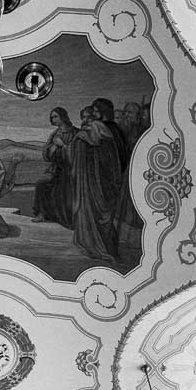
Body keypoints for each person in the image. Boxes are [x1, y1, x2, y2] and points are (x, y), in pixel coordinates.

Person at [69, 100, 126, 266]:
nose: (90, 117)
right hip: (97, 180)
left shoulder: (97, 128)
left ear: (101, 112)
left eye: (93, 112)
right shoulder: (107, 128)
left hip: (99, 181)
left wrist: (79, 140)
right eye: (87, 115)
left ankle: (107, 251)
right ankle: (99, 247)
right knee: (99, 217)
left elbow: (98, 147)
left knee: (101, 217)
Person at [33, 107, 76, 226]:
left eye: (56, 116)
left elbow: (76, 154)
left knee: (60, 190)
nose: (53, 119)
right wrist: (53, 148)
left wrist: (62, 145)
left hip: (71, 172)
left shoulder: (74, 133)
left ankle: (66, 218)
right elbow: (46, 155)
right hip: (58, 171)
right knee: (41, 185)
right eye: (52, 117)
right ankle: (42, 214)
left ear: (63, 116)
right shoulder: (55, 134)